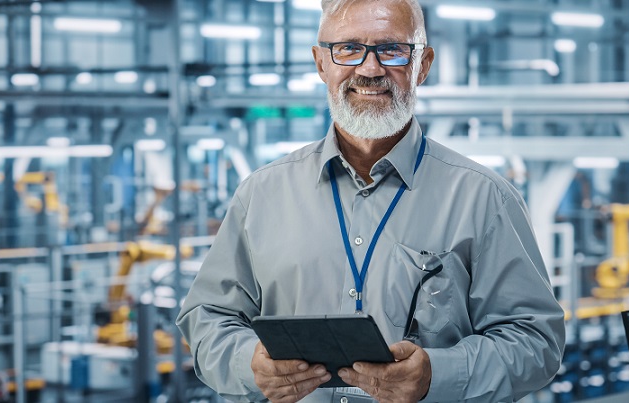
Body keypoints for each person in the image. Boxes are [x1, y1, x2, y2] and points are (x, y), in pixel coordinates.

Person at [176, 0, 566, 401]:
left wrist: (440, 374)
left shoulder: (484, 198)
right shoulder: (261, 194)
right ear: (320, 63)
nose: (370, 69)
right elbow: (207, 318)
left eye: (392, 49)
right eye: (348, 49)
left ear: (424, 64)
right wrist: (248, 362)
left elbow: (536, 342)